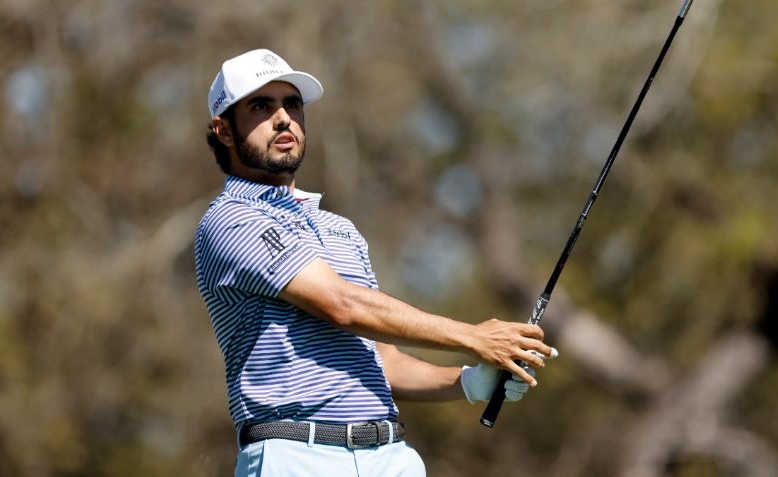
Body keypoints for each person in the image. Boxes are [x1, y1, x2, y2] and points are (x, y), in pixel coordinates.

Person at [194, 48, 557, 477]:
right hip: (296, 455)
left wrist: (470, 381)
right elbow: (343, 306)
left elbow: (383, 360)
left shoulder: (339, 229)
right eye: (261, 106)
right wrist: (473, 336)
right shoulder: (231, 218)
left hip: (390, 455)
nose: (283, 118)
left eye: (292, 104)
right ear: (224, 130)